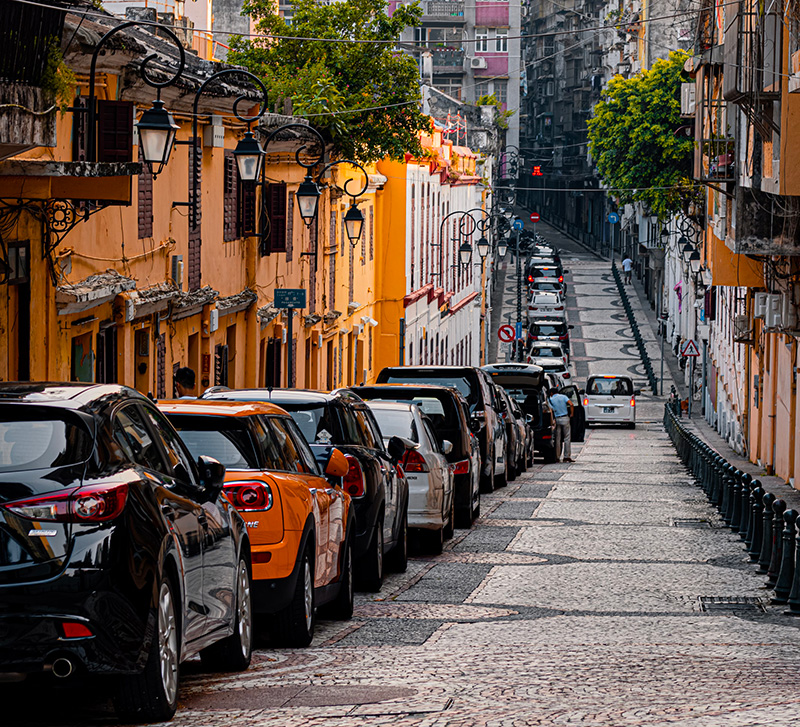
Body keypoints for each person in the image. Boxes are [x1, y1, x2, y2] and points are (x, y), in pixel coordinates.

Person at [548, 386, 574, 462]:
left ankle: (557, 457)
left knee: (557, 439)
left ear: (552, 393)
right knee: (567, 438)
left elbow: (551, 409)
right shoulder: (563, 397)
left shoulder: (551, 399)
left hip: (557, 419)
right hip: (565, 418)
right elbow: (571, 404)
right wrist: (571, 414)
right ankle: (566, 456)